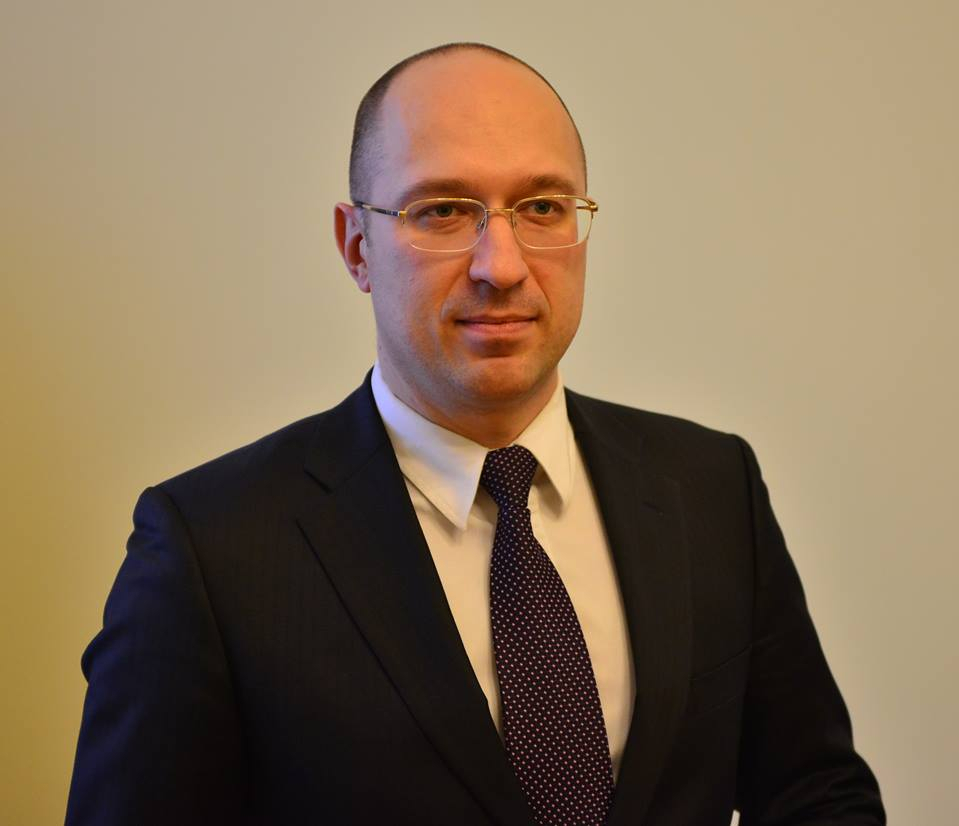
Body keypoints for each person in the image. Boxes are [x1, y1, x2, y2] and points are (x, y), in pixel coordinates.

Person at [66, 43, 885, 825]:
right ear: (357, 247)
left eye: (542, 208)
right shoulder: (212, 551)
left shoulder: (711, 486)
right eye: (444, 211)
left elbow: (816, 796)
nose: (503, 265)